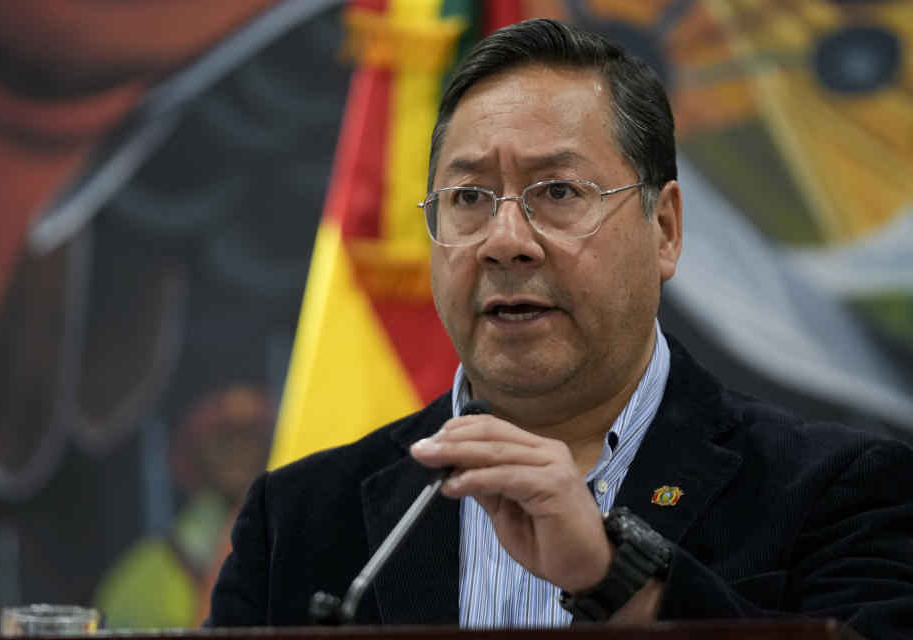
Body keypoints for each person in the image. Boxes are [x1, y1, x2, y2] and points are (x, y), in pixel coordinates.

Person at [204, 18, 913, 638]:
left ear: (664, 229)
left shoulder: (837, 489)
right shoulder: (299, 517)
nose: (505, 239)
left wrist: (616, 577)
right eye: (469, 198)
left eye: (558, 191)